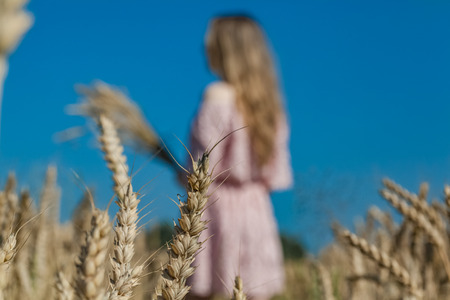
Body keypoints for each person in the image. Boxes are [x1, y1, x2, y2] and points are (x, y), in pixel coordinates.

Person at [187, 15, 293, 300]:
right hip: (257, 211)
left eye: (210, 43)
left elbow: (201, 169)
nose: (204, 49)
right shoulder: (271, 106)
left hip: (217, 210)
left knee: (204, 292)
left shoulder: (217, 95)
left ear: (224, 50)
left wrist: (179, 169)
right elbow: (276, 175)